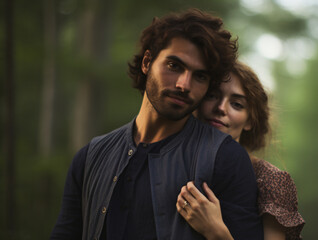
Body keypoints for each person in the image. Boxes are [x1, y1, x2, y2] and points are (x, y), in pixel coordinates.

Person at [51, 9, 264, 240]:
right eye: (174, 66)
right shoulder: (91, 156)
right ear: (147, 62)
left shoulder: (225, 158)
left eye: (200, 76)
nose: (184, 84)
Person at [176, 62, 305, 239]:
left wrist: (215, 231)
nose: (220, 108)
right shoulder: (173, 157)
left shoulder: (271, 180)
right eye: (212, 96)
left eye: (236, 104)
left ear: (250, 121)